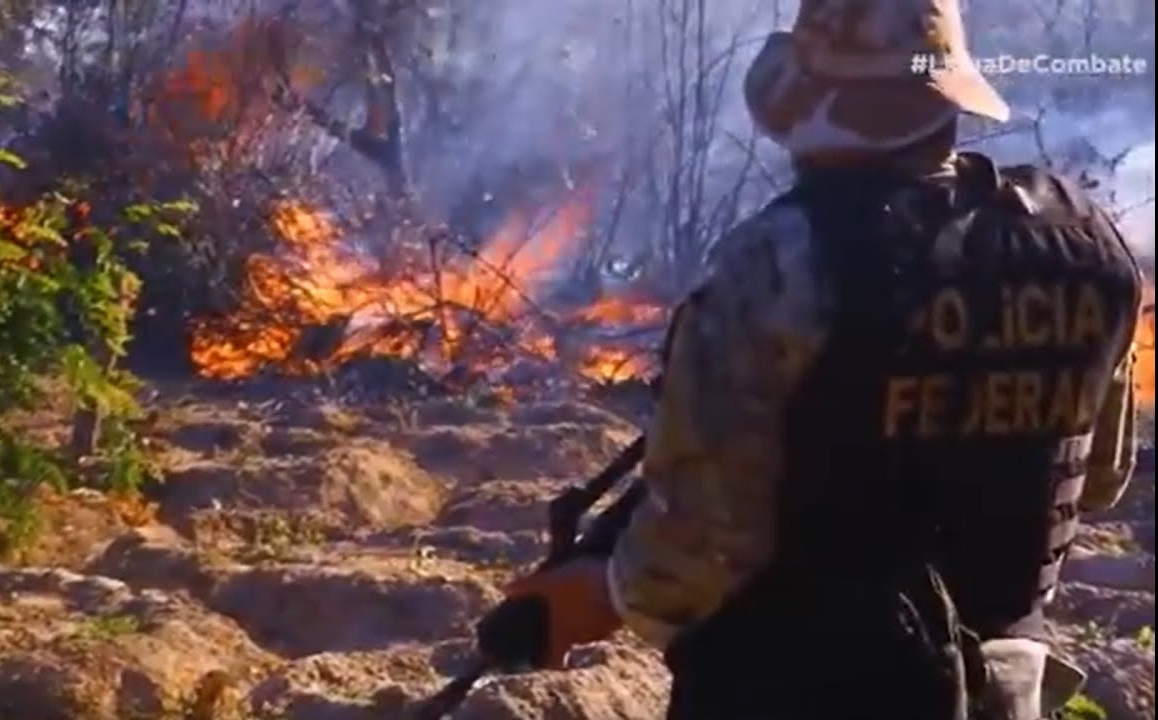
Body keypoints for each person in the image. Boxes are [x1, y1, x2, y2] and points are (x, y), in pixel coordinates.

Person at [476, 1, 1146, 718]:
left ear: (806, 111)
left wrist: (593, 594)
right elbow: (1096, 479)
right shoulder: (1087, 251)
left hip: (801, 688)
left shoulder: (777, 265)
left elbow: (697, 548)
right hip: (1002, 686)